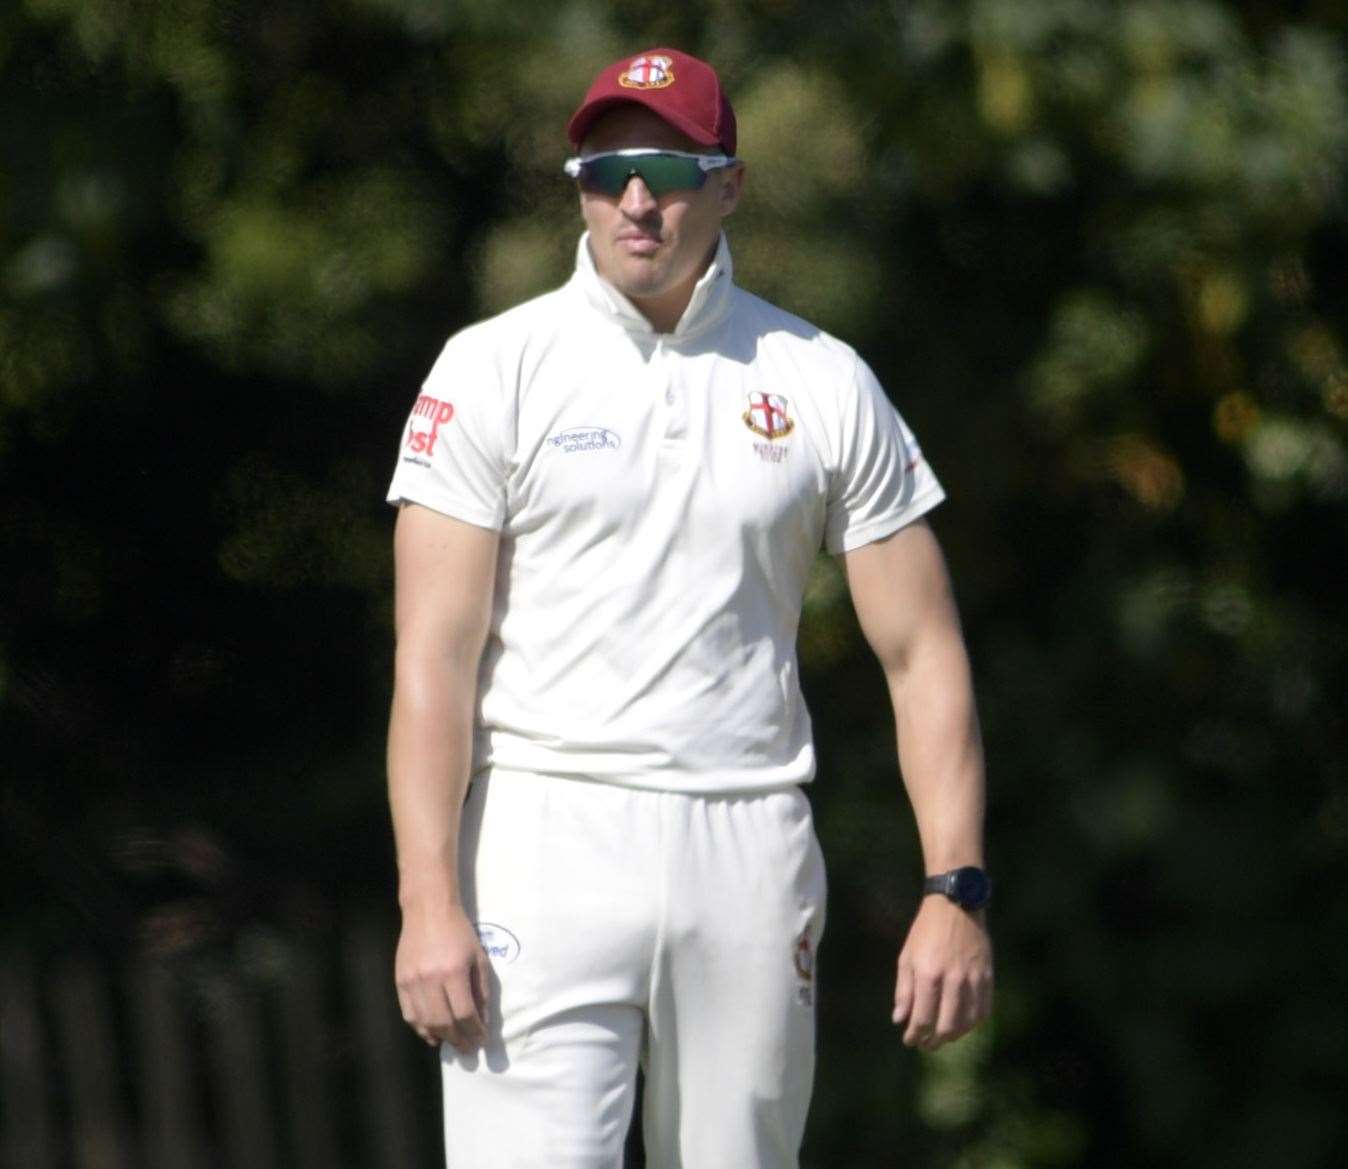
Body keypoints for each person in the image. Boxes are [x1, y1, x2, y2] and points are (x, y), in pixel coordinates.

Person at [384, 46, 992, 1169]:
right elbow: (434, 655)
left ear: (729, 184)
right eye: (604, 168)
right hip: (540, 835)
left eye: (664, 169)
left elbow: (922, 652)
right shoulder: (489, 366)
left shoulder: (820, 376)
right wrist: (428, 898)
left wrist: (953, 884)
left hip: (748, 842)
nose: (632, 199)